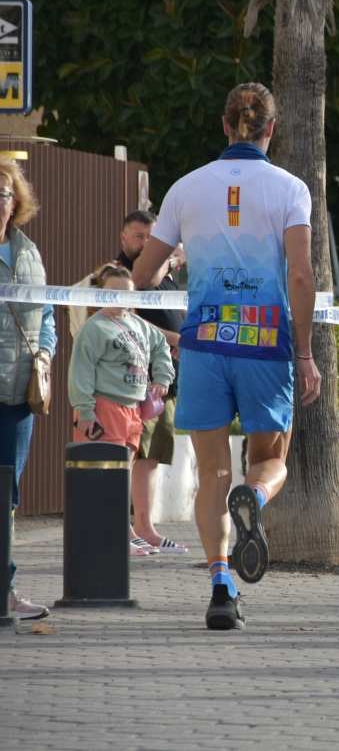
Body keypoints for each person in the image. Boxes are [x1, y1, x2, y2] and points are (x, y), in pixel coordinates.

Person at [134, 83, 322, 632]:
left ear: (224, 125)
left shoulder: (186, 188)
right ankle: (255, 497)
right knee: (271, 459)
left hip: (205, 344)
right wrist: (305, 353)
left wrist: (179, 260)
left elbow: (143, 275)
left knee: (211, 471)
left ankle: (221, 586)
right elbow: (301, 274)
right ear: (272, 129)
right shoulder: (291, 189)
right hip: (265, 343)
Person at [71, 212, 190, 555]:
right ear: (123, 237)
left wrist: (164, 372)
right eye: (138, 236)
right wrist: (85, 409)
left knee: (148, 457)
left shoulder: (162, 276)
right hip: (114, 397)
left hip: (151, 392)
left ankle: (143, 528)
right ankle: (117, 530)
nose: (144, 243)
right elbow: (86, 363)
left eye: (150, 237)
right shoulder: (115, 281)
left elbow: (156, 336)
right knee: (116, 465)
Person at [0, 157, 57, 621]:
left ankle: (5, 589)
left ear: (15, 202)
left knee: (8, 497)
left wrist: (46, 353)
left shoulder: (28, 252)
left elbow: (48, 314)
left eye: (2, 195)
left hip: (19, 395)